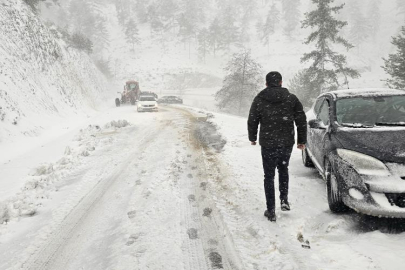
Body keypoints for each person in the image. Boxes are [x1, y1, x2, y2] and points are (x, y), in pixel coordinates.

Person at [248, 71, 307, 222]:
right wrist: (302, 140)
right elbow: (301, 119)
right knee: (283, 169)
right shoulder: (291, 98)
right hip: (286, 142)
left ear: (266, 83)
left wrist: (253, 137)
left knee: (269, 175)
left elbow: (252, 119)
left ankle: (271, 210)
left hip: (268, 143)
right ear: (281, 82)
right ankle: (284, 200)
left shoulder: (260, 99)